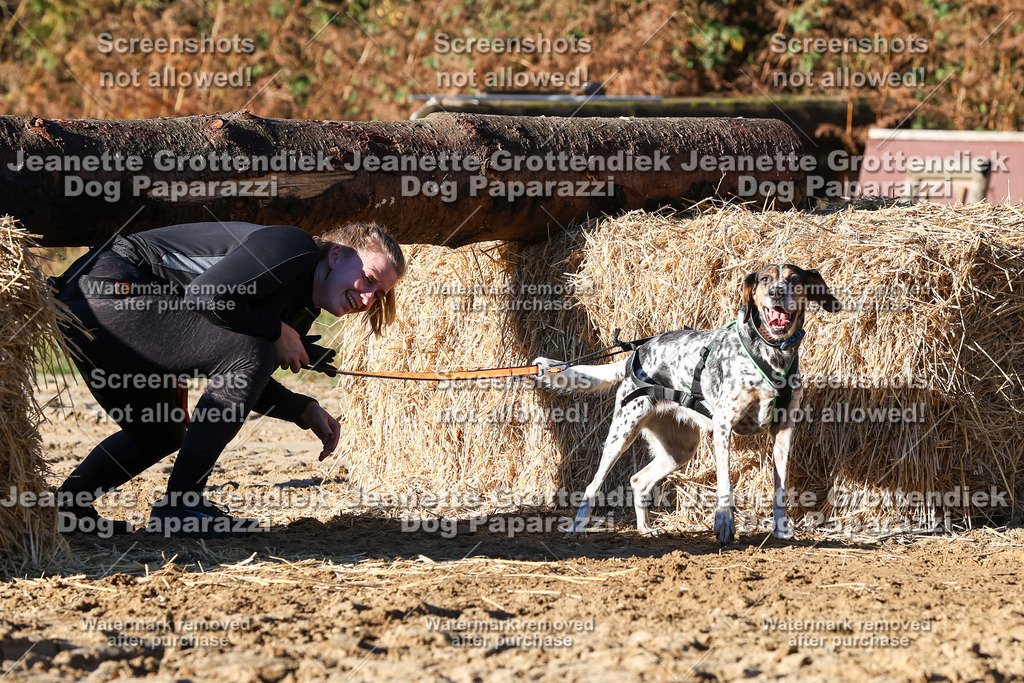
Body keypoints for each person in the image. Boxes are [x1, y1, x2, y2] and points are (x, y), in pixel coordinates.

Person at [51, 220, 405, 538]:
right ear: (336, 256)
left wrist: (302, 408)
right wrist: (273, 330)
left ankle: (67, 509)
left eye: (379, 295)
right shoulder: (293, 247)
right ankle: (182, 506)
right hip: (107, 292)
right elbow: (207, 297)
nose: (369, 298)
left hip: (96, 309)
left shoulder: (300, 307)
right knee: (256, 351)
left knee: (160, 432)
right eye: (369, 279)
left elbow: (240, 371)